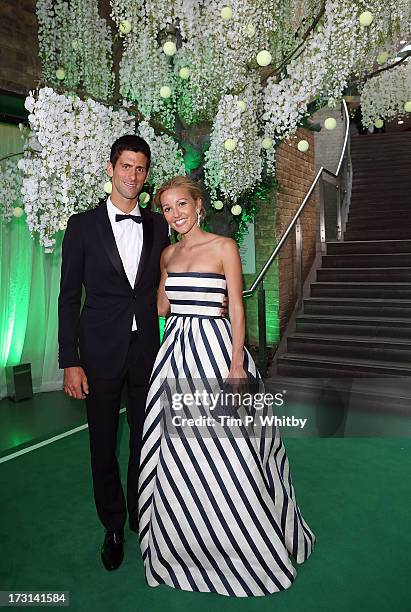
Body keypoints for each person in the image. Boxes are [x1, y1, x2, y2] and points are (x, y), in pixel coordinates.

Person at [137, 176, 316, 597]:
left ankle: (244, 540)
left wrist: (237, 364)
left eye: (182, 204)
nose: (175, 213)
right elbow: (162, 307)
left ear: (198, 205)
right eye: (167, 208)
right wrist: (163, 279)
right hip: (176, 354)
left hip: (218, 352)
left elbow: (236, 307)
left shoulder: (223, 247)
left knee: (231, 446)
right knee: (176, 452)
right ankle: (184, 542)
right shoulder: (166, 254)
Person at [58, 135, 170, 571]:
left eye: (141, 169)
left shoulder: (159, 225)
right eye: (126, 166)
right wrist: (71, 360)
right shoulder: (81, 226)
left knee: (146, 441)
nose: (133, 176)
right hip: (98, 354)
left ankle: (144, 515)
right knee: (102, 445)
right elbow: (69, 298)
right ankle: (112, 524)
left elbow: (176, 274)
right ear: (110, 168)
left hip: (147, 351)